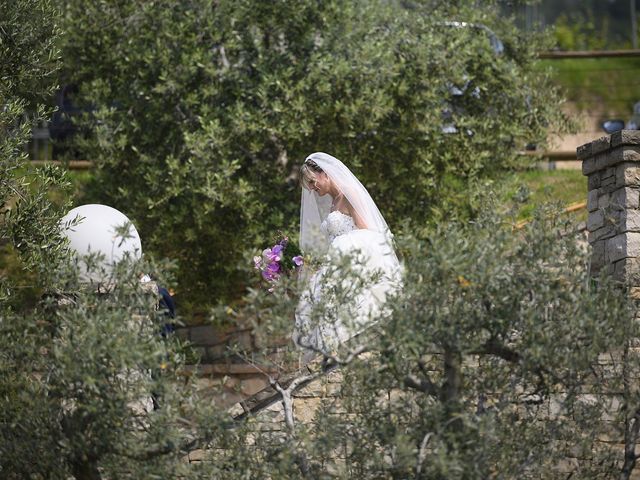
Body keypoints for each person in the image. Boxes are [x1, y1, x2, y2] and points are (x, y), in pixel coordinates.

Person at [294, 152, 402, 359]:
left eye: (314, 182)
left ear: (324, 173)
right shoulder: (334, 202)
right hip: (336, 264)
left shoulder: (350, 194)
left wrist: (343, 248)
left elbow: (367, 233)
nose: (314, 188)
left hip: (354, 263)